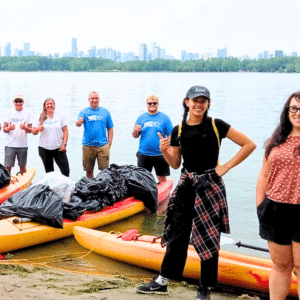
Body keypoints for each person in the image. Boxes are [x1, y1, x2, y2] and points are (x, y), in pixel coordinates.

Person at [136, 86, 256, 300]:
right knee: (177, 234)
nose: (199, 104)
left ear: (208, 104)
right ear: (186, 102)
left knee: (209, 236)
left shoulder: (216, 125)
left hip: (210, 186)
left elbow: (249, 144)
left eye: (203, 100)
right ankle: (163, 280)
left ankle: (205, 287)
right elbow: (174, 164)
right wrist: (164, 150)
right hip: (186, 187)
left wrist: (225, 167)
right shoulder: (178, 130)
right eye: (195, 100)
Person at [256, 91, 300, 300]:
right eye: (294, 108)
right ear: (287, 111)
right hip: (275, 209)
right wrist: (260, 205)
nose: (297, 113)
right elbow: (264, 175)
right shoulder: (275, 141)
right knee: (281, 265)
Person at [132, 95, 173, 183]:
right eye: (150, 103)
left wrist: (169, 149)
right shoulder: (141, 118)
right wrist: (135, 131)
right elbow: (135, 136)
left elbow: (171, 136)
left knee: (162, 179)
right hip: (143, 154)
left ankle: (165, 196)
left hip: (160, 154)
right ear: (147, 104)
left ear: (158, 104)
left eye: (154, 103)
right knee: (143, 180)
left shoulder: (164, 118)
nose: (152, 105)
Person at [76, 91, 114, 178]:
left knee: (105, 171)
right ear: (89, 100)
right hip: (88, 145)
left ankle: (104, 189)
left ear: (99, 99)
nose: (94, 100)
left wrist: (109, 144)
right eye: (92, 98)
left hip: (103, 146)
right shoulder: (84, 112)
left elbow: (110, 129)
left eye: (96, 98)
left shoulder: (105, 112)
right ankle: (91, 188)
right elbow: (77, 124)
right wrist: (79, 122)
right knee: (89, 171)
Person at [32, 98, 70, 177]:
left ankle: (65, 188)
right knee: (50, 173)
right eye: (47, 104)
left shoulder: (60, 116)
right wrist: (38, 129)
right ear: (44, 106)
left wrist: (64, 144)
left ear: (54, 105)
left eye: (51, 104)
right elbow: (34, 132)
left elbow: (65, 131)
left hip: (58, 148)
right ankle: (52, 188)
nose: (49, 105)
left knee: (65, 171)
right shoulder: (41, 117)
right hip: (44, 149)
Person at [3, 94, 32, 174]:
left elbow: (31, 130)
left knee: (22, 166)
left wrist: (25, 128)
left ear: (23, 102)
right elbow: (4, 129)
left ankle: (24, 183)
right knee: (7, 167)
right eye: (16, 101)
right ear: (13, 102)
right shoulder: (8, 113)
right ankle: (6, 182)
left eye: (20, 101)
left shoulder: (28, 113)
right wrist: (9, 128)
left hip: (22, 145)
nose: (18, 103)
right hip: (10, 145)